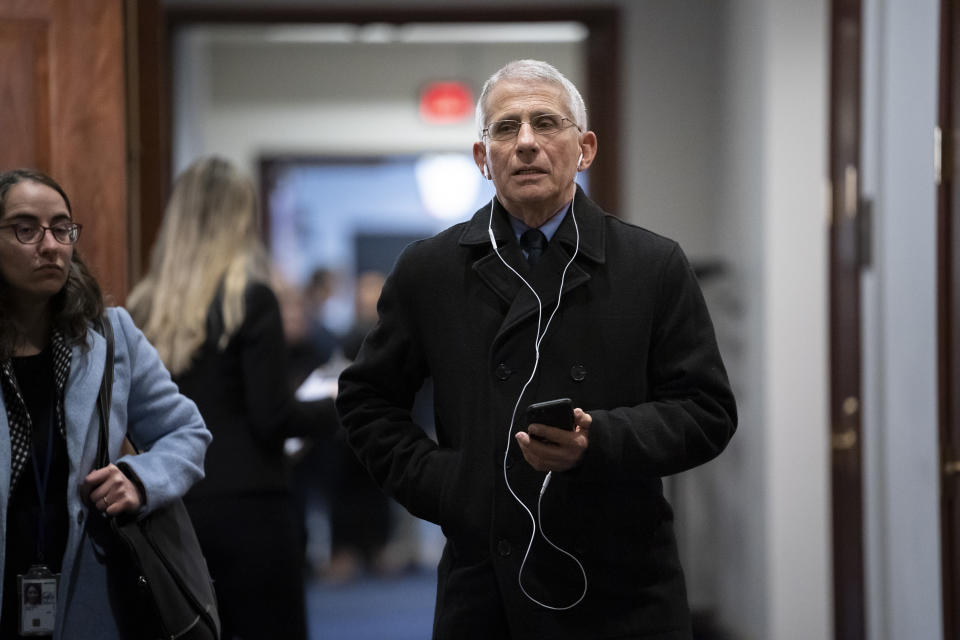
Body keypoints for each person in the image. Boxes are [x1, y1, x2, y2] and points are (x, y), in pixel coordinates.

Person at [336, 59, 738, 639]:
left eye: (546, 122)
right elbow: (367, 402)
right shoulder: (431, 270)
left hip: (624, 588)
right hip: (485, 587)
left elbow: (707, 412)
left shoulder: (652, 266)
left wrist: (597, 440)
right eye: (505, 128)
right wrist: (450, 485)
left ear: (585, 148)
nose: (525, 142)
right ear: (482, 158)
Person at [127, 156, 337, 640]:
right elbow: (271, 417)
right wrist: (341, 404)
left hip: (170, 506)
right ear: (239, 219)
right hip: (250, 507)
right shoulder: (250, 298)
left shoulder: (140, 306)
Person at [0, 169, 210, 638]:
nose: (50, 244)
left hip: (86, 587)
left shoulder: (109, 335)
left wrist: (141, 479)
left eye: (61, 228)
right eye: (25, 229)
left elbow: (187, 433)